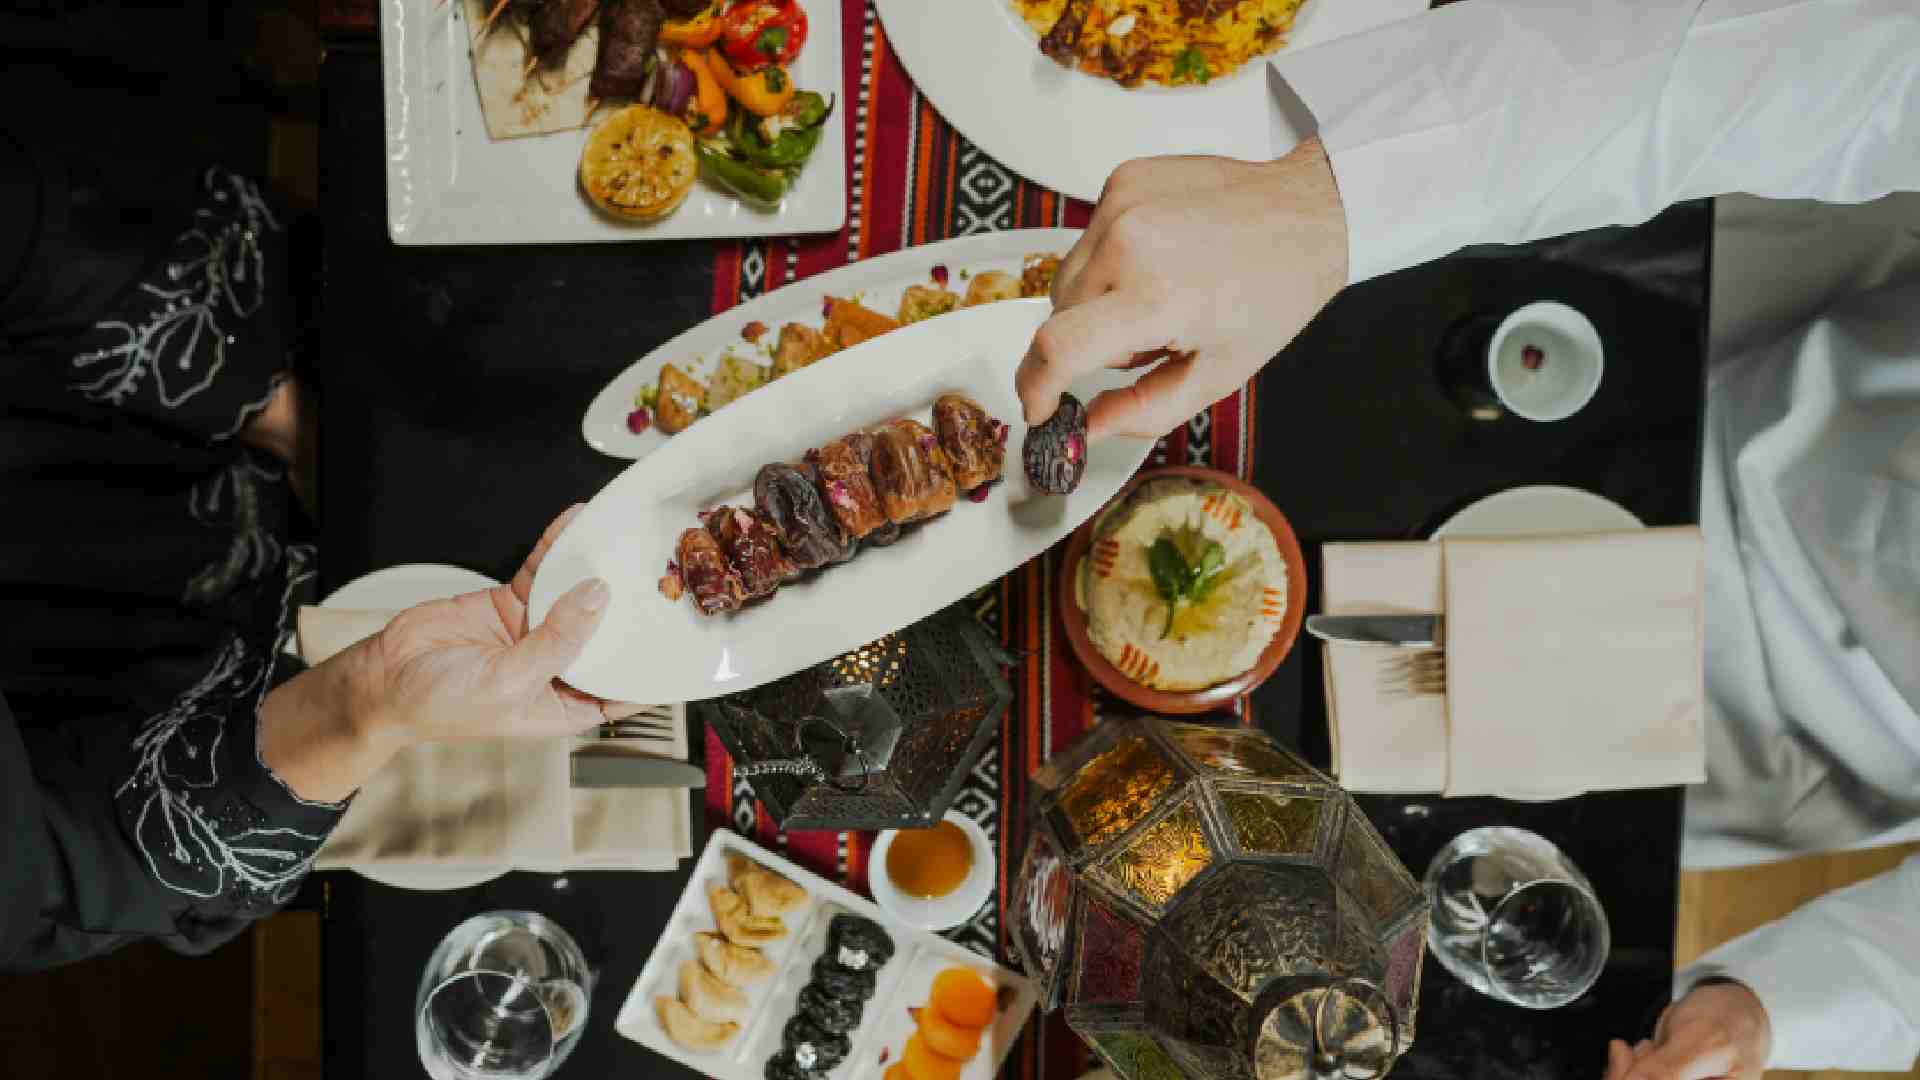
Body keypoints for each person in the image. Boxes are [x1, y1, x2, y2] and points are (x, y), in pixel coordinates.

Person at [1015, 1, 1919, 1076]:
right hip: (1715, 363)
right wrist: (1333, 201)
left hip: (1747, 744)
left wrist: (1768, 1013)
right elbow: (1834, 58)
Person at [0, 75, 629, 968]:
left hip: (167, 374)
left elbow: (30, 232)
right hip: (155, 688)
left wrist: (284, 409)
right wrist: (365, 703)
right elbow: (61, 869)